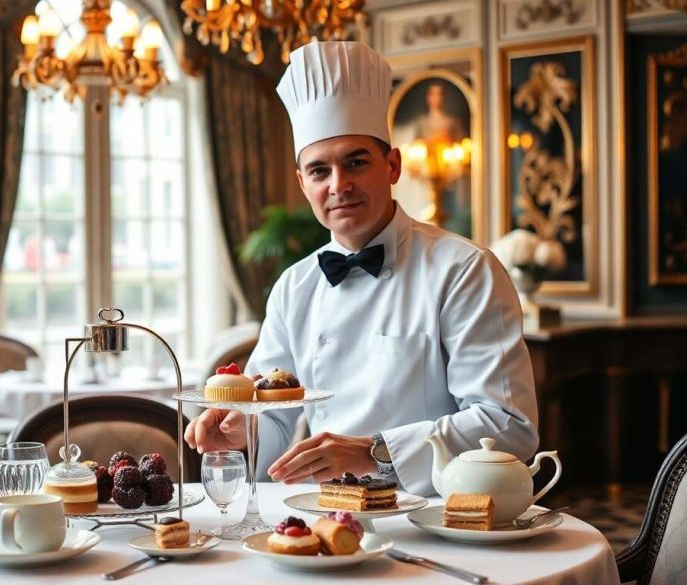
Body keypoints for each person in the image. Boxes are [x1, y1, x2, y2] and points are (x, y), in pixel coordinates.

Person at [184, 42, 538, 496]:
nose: (340, 185)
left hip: (431, 515)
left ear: (392, 166)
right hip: (321, 514)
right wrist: (241, 433)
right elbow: (273, 418)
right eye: (319, 171)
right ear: (302, 183)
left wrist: (377, 451)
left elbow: (508, 424)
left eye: (355, 162)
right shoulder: (294, 286)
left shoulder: (464, 270)